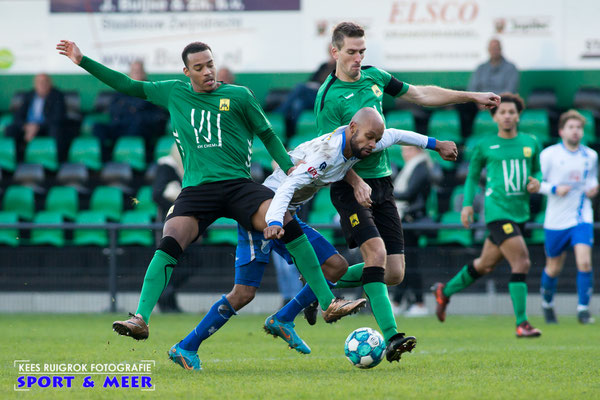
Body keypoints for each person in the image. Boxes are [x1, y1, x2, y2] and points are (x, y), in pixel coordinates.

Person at [56, 40, 366, 345]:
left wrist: (289, 167)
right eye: (199, 67)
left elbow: (267, 133)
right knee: (170, 240)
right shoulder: (173, 92)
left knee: (284, 219)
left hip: (237, 185)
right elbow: (126, 84)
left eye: (210, 64)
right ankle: (140, 318)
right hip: (197, 190)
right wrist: (83, 60)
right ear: (186, 71)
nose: (207, 71)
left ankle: (328, 303)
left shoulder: (239, 95)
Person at [168, 108, 458, 370]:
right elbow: (287, 186)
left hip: (287, 214)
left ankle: (281, 319)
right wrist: (270, 221)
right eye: (370, 138)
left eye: (375, 139)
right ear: (353, 128)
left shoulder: (363, 139)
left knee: (336, 266)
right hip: (265, 212)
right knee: (244, 293)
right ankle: (187, 346)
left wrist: (436, 145)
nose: (373, 145)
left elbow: (396, 135)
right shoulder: (326, 156)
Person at [313, 21, 500, 342]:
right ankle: (392, 337)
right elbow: (326, 152)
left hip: (383, 185)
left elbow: (421, 94)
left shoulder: (375, 77)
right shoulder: (328, 97)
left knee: (395, 273)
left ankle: (314, 286)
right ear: (335, 52)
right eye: (351, 52)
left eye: (362, 51)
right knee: (375, 257)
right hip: (349, 186)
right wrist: (355, 181)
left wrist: (471, 96)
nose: (358, 58)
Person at [432, 93, 543, 338]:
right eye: (502, 112)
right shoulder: (484, 145)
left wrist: (537, 182)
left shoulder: (531, 142)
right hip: (497, 212)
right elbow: (472, 177)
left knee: (485, 264)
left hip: (520, 213)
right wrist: (467, 205)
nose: (507, 116)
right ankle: (522, 323)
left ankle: (444, 291)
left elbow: (537, 171)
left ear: (519, 115)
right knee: (522, 261)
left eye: (512, 112)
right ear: (494, 116)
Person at [537, 110, 598, 324]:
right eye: (571, 127)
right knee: (553, 267)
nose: (575, 131)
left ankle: (583, 310)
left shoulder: (591, 156)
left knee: (584, 263)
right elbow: (535, 184)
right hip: (555, 220)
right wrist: (553, 188)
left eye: (579, 128)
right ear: (562, 131)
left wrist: (593, 189)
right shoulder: (549, 155)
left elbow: (591, 181)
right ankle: (547, 304)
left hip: (581, 216)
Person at [92, 60, 167, 159]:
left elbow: (159, 114)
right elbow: (113, 109)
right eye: (134, 71)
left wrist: (131, 108)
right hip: (122, 126)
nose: (137, 74)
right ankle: (107, 157)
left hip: (142, 127)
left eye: (139, 71)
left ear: (144, 73)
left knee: (137, 123)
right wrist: (132, 108)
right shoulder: (122, 88)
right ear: (129, 74)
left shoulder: (152, 89)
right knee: (98, 127)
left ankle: (143, 158)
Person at [391, 146, 434, 317]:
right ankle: (400, 301)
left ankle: (417, 302)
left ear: (418, 150)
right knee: (405, 261)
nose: (404, 154)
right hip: (405, 220)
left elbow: (409, 194)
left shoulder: (421, 167)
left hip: (410, 221)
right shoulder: (413, 167)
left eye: (408, 150)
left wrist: (387, 193)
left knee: (409, 262)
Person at [461, 38, 520, 135]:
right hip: (480, 104)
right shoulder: (481, 68)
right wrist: (479, 101)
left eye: (496, 48)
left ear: (501, 49)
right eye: (492, 48)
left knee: (510, 104)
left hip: (501, 102)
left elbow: (510, 90)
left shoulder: (511, 68)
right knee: (464, 104)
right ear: (488, 50)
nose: (494, 51)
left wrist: (492, 102)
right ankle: (467, 139)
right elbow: (472, 88)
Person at [152, 143, 185, 313]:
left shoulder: (189, 167)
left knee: (188, 262)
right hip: (169, 225)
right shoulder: (167, 166)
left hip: (186, 226)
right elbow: (157, 194)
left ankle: (168, 296)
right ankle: (166, 299)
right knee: (170, 262)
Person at [6, 73, 68, 161]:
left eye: (45, 82)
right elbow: (18, 115)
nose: (42, 85)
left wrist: (37, 127)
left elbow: (58, 117)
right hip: (28, 127)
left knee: (57, 130)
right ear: (35, 84)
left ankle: (57, 162)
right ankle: (16, 161)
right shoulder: (29, 95)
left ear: (50, 83)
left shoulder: (57, 95)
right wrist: (26, 126)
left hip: (45, 127)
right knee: (10, 129)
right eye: (39, 82)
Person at [276, 51, 336, 137]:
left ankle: (280, 111)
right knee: (297, 104)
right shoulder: (324, 65)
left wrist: (319, 86)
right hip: (313, 95)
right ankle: (290, 136)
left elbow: (332, 85)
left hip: (323, 97)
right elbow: (311, 80)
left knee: (300, 86)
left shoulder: (338, 67)